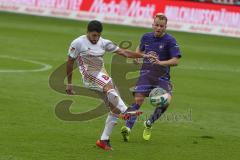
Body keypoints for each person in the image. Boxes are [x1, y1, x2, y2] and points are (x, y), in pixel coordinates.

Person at [65, 20, 156, 150]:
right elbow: (69, 62)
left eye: (97, 35)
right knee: (110, 87)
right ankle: (127, 110)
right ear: (87, 33)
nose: (95, 38)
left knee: (114, 107)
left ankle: (104, 140)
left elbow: (125, 52)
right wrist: (69, 83)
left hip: (101, 75)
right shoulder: (78, 43)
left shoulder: (104, 43)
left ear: (100, 34)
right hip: (89, 76)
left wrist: (144, 55)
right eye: (93, 35)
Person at [121, 13, 182, 141]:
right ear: (153, 25)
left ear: (166, 27)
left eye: (162, 26)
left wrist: (161, 63)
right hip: (146, 76)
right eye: (157, 25)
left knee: (166, 102)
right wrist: (137, 56)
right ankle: (127, 128)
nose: (159, 28)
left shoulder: (170, 40)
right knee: (138, 101)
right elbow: (140, 48)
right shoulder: (146, 37)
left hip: (162, 78)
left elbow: (176, 61)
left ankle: (149, 123)